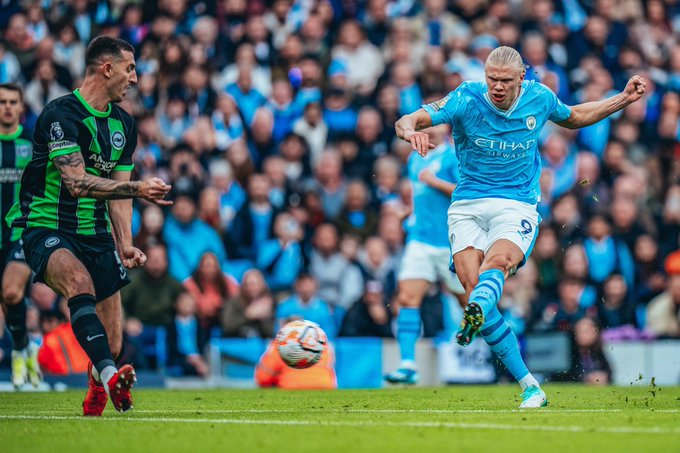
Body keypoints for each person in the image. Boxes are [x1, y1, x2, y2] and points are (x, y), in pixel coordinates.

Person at [395, 46, 646, 408]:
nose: (497, 86)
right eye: (491, 79)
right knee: (472, 285)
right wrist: (409, 133)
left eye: (505, 80)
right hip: (466, 204)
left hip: (516, 204)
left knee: (496, 264)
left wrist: (622, 98)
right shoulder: (465, 97)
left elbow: (574, 117)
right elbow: (408, 119)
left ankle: (483, 316)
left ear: (522, 77)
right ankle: (530, 384)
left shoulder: (539, 97)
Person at [8, 36, 173, 415]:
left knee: (112, 341)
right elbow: (77, 183)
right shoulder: (59, 115)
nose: (135, 77)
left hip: (96, 234)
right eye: (130, 68)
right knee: (78, 284)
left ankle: (99, 385)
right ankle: (114, 377)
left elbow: (119, 195)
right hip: (47, 225)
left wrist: (125, 243)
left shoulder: (124, 125)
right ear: (107, 68)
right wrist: (137, 186)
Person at [385, 123, 466, 385]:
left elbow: (466, 193)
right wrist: (409, 213)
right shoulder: (414, 158)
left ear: (446, 127)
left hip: (450, 243)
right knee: (408, 298)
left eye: (435, 124)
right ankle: (408, 364)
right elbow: (420, 196)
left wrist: (435, 182)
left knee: (469, 303)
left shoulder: (454, 156)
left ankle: (496, 358)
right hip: (419, 240)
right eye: (426, 124)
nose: (430, 129)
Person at [0, 83, 39, 388]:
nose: (8, 107)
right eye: (2, 102)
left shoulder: (31, 145)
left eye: (13, 101)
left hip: (20, 233)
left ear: (21, 107)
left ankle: (18, 348)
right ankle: (25, 346)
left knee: (12, 291)